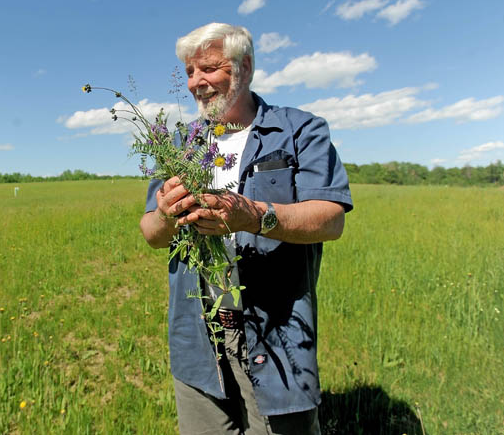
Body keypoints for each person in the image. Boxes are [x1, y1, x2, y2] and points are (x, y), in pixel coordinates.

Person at [139, 23, 353, 434]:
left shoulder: (299, 131)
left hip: (276, 333)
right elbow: (151, 232)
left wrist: (252, 216)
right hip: (199, 337)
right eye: (189, 72)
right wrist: (167, 212)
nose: (197, 82)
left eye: (210, 68)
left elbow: (331, 218)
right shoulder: (182, 144)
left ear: (246, 67)